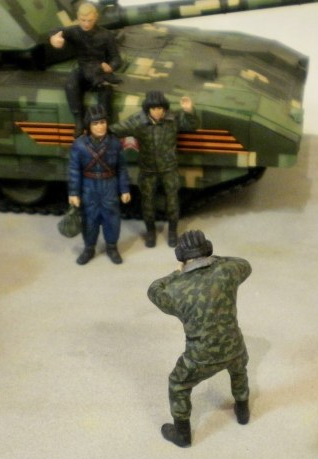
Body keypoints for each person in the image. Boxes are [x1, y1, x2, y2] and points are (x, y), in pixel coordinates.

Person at [147, 230, 251, 447]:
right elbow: (244, 264)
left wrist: (177, 273)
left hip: (200, 357)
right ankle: (243, 411)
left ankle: (182, 434)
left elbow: (153, 289)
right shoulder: (228, 271)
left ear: (181, 257)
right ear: (208, 250)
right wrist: (214, 260)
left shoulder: (175, 289)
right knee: (239, 371)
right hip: (235, 348)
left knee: (178, 384)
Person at [110, 91, 198, 248]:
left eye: (160, 108)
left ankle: (172, 231)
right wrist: (95, 130)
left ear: (164, 108)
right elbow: (116, 130)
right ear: (148, 109)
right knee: (147, 203)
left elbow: (192, 125)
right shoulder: (138, 121)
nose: (157, 112)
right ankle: (150, 231)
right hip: (148, 170)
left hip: (169, 168)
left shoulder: (173, 119)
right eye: (153, 109)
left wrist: (189, 110)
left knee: (172, 201)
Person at [68, 105, 131, 265]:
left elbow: (121, 168)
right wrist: (74, 192)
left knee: (112, 219)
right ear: (89, 126)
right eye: (95, 123)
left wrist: (124, 189)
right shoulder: (79, 145)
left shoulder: (115, 143)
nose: (100, 126)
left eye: (102, 122)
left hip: (109, 185)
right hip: (89, 187)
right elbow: (74, 170)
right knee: (89, 219)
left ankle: (112, 247)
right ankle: (89, 248)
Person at [50, 2, 122, 137]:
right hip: (83, 69)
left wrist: (111, 66)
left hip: (99, 70)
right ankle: (79, 121)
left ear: (96, 18)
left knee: (106, 91)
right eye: (83, 20)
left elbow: (116, 58)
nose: (86, 24)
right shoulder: (74, 32)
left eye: (90, 20)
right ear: (78, 18)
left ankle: (104, 123)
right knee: (71, 84)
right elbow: (56, 30)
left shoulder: (106, 35)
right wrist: (55, 38)